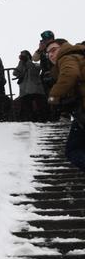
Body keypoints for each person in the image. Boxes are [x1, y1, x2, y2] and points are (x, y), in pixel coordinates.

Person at [46, 39, 85, 171]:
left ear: (63, 47)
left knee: (73, 150)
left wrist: (53, 97)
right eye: (48, 53)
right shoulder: (78, 56)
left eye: (53, 50)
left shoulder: (66, 57)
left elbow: (70, 74)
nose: (50, 55)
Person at [13, 49, 47, 121]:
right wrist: (21, 63)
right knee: (27, 109)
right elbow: (15, 73)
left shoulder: (35, 65)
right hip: (25, 91)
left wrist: (28, 61)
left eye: (24, 55)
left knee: (39, 108)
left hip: (35, 90)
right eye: (21, 55)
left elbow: (34, 70)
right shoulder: (21, 65)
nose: (22, 57)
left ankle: (40, 118)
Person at [34, 30, 59, 120]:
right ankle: (51, 116)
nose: (46, 41)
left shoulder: (57, 47)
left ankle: (60, 115)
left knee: (57, 95)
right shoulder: (42, 50)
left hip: (55, 75)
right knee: (47, 97)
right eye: (45, 39)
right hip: (45, 77)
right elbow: (35, 59)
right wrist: (40, 49)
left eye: (48, 39)